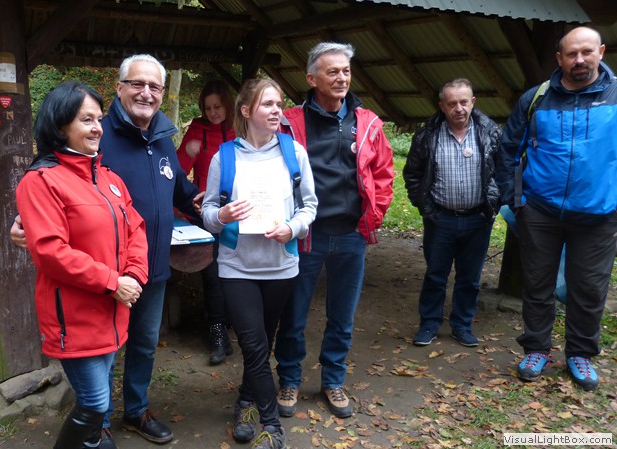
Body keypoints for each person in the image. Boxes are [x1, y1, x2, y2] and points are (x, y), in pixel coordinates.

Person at [12, 54, 202, 448]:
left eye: (154, 86)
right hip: (95, 283)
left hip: (146, 271)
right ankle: (98, 426)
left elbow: (173, 198)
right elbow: (48, 207)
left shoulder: (162, 139)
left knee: (140, 345)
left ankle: (135, 410)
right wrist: (21, 223)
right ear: (120, 88)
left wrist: (211, 205)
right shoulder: (94, 145)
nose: (146, 93)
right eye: (137, 83)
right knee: (97, 372)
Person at [14, 81, 149, 449]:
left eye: (99, 119)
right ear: (60, 126)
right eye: (86, 120)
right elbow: (50, 251)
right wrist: (112, 282)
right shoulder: (41, 181)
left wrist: (133, 275)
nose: (97, 128)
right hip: (74, 316)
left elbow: (135, 229)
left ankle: (94, 443)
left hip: (114, 310)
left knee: (99, 396)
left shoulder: (109, 178)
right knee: (94, 403)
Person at [274, 42, 394, 419]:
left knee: (342, 315)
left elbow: (383, 173)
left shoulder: (366, 122)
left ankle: (333, 380)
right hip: (305, 234)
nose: (342, 78)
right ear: (312, 78)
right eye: (332, 72)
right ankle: (289, 378)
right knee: (294, 313)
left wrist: (374, 215)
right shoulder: (289, 123)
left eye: (346, 71)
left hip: (351, 235)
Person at [496, 26, 617, 392]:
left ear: (600, 52)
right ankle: (536, 349)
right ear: (559, 58)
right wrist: (514, 199)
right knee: (537, 284)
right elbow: (508, 150)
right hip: (541, 211)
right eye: (571, 54)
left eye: (586, 52)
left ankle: (580, 354)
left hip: (599, 215)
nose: (579, 60)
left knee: (589, 289)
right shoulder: (536, 99)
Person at [202, 78, 317, 449]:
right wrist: (222, 215)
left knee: (262, 344)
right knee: (253, 346)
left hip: (281, 267)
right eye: (268, 104)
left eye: (279, 104)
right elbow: (208, 212)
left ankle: (245, 402)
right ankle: (272, 427)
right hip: (237, 267)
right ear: (246, 110)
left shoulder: (294, 153)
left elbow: (309, 206)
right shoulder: (224, 157)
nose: (277, 111)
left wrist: (292, 228)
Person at [402, 78, 502, 348]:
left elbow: (504, 171)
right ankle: (429, 325)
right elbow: (412, 174)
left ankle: (462, 325)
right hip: (440, 219)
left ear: (473, 102)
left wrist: (493, 204)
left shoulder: (490, 133)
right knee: (435, 275)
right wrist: (425, 207)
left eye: (464, 102)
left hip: (478, 218)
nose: (459, 108)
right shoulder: (427, 135)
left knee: (470, 279)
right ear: (442, 106)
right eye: (452, 103)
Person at [176, 79, 236, 365]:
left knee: (235, 271)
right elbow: (176, 173)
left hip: (238, 213)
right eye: (207, 108)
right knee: (212, 273)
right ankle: (217, 332)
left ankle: (232, 320)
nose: (212, 113)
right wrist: (188, 153)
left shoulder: (241, 129)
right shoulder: (198, 130)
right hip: (205, 213)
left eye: (217, 107)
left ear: (228, 105)